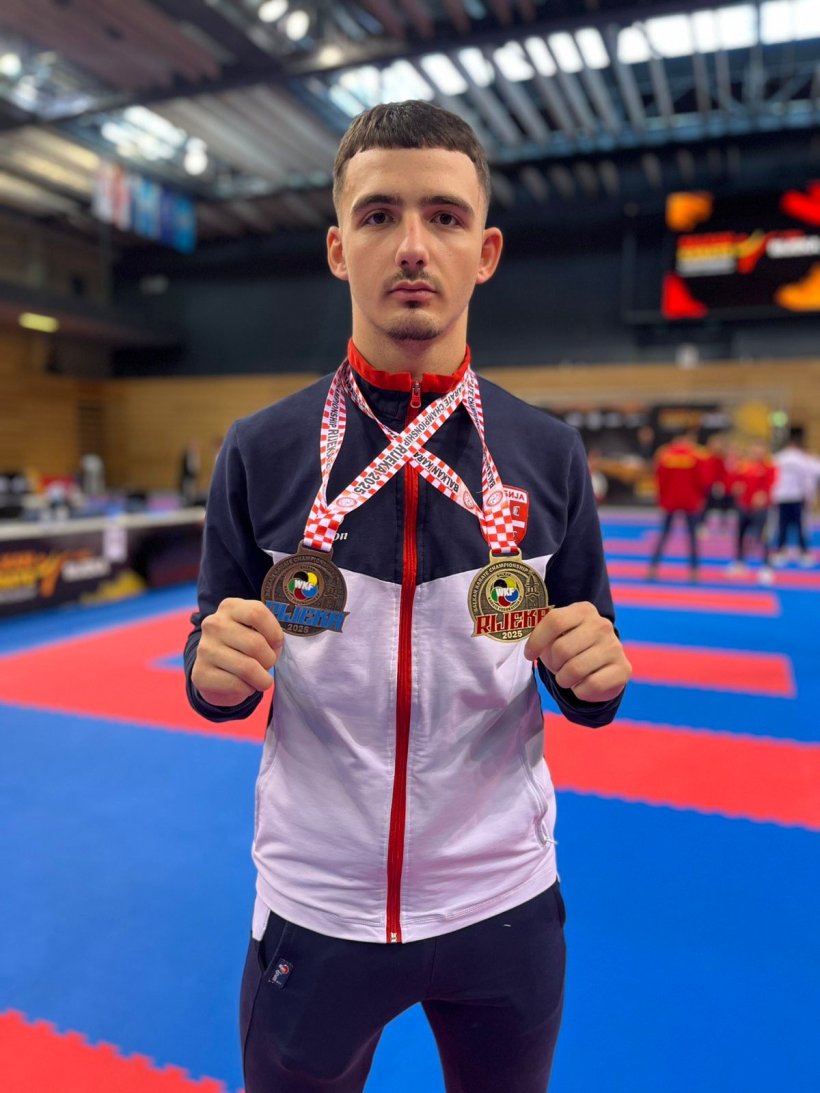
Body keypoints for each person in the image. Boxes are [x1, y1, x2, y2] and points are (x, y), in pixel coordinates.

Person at [184, 100, 632, 1093]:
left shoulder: (549, 454)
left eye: (445, 216)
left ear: (486, 252)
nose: (414, 245)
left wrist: (597, 675)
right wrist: (210, 672)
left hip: (504, 901)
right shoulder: (260, 450)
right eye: (380, 215)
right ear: (339, 248)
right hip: (317, 905)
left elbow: (589, 660)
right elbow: (211, 656)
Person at [647, 428, 708, 581]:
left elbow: (660, 478)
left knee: (664, 534)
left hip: (670, 500)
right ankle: (694, 571)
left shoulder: (665, 454)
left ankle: (653, 568)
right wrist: (700, 498)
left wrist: (661, 498)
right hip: (690, 501)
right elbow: (703, 480)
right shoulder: (696, 455)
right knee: (692, 536)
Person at [728, 439, 776, 583]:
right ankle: (739, 562)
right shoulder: (743, 465)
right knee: (740, 535)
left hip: (761, 508)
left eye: (760, 448)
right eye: (754, 448)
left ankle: (766, 567)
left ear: (764, 450)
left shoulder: (769, 466)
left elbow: (771, 484)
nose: (757, 451)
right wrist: (736, 487)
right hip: (744, 506)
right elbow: (735, 482)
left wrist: (763, 495)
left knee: (762, 538)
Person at [771, 426, 820, 566]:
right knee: (797, 526)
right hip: (795, 497)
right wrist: (810, 496)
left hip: (784, 497)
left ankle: (783, 552)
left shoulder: (778, 458)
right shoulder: (803, 460)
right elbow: (808, 480)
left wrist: (773, 495)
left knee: (784, 526)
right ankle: (802, 553)